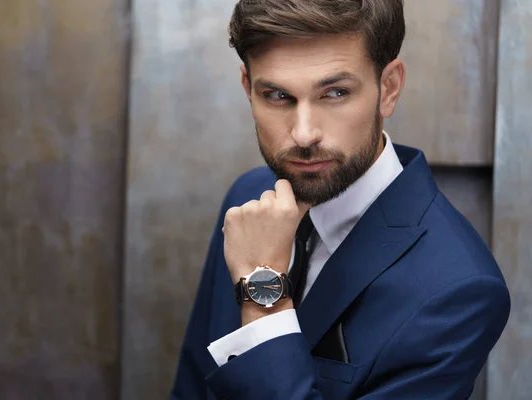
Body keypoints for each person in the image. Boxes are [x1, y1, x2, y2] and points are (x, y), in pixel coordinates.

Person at [170, 0, 511, 398]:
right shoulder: (247, 199)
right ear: (248, 88)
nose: (303, 134)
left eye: (335, 92)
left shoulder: (459, 290)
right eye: (277, 95)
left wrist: (264, 295)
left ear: (389, 88)